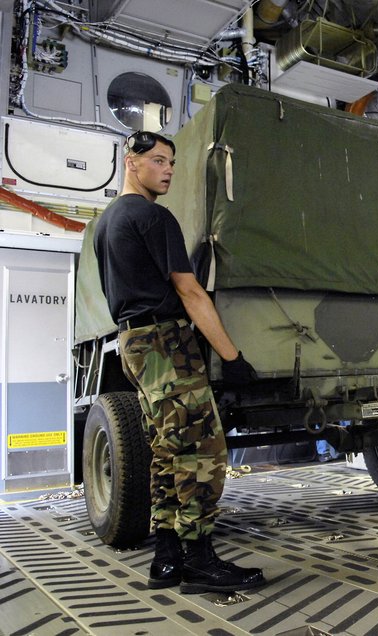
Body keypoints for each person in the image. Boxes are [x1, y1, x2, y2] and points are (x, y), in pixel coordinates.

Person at [93, 131, 266, 595]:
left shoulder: (107, 222)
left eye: (171, 161)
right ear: (131, 162)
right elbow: (190, 291)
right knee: (202, 450)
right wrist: (232, 358)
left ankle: (167, 558)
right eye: (158, 160)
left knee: (167, 450)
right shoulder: (153, 216)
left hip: (133, 342)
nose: (168, 169)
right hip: (165, 342)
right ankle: (199, 559)